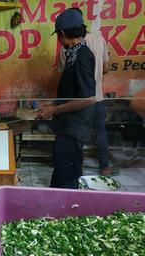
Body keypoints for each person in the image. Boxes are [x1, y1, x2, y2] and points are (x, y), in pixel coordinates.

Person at [35, 8, 96, 189]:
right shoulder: (74, 54)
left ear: (62, 34)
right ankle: (58, 206)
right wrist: (52, 104)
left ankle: (67, 211)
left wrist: (54, 110)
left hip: (75, 127)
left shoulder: (82, 56)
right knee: (62, 168)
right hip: (68, 125)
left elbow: (89, 98)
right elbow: (72, 92)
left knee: (68, 175)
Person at [58, 8, 116, 177]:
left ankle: (77, 169)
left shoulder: (69, 48)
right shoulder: (99, 39)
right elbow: (106, 68)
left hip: (77, 103)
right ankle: (104, 167)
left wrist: (54, 108)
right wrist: (94, 76)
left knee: (76, 136)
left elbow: (65, 73)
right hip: (97, 96)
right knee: (100, 131)